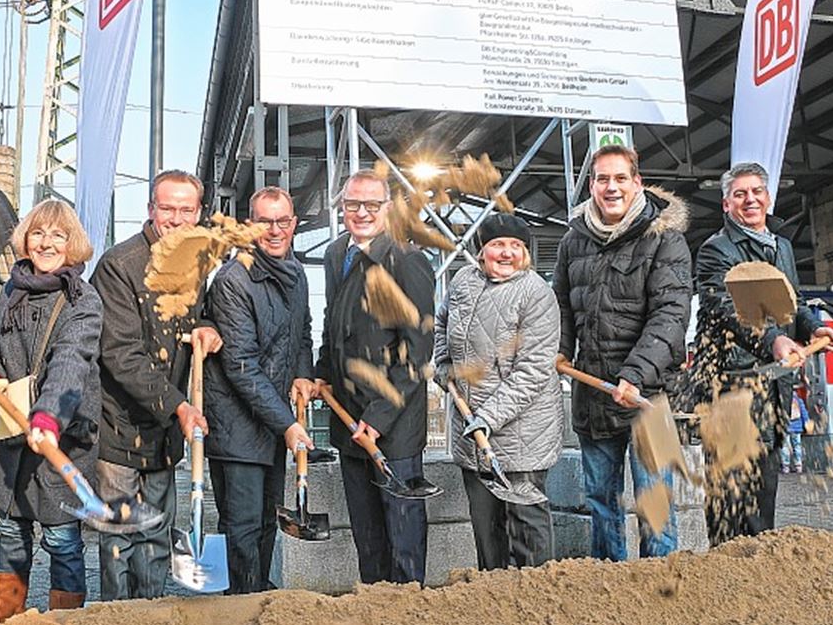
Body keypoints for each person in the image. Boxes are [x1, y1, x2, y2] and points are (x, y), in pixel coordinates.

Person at [691, 162, 833, 544]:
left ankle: (759, 567)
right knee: (730, 498)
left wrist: (812, 327)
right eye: (740, 194)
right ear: (726, 204)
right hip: (730, 387)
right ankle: (726, 569)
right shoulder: (716, 250)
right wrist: (774, 339)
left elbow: (793, 302)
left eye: (756, 191)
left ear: (768, 198)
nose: (750, 200)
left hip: (774, 387)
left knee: (763, 495)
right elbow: (726, 308)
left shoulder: (782, 247)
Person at [553, 144, 692, 562]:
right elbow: (561, 306)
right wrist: (560, 351)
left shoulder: (666, 239)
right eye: (602, 179)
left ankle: (661, 583)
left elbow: (671, 315)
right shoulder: (573, 241)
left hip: (650, 395)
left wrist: (634, 374)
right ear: (591, 186)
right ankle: (609, 580)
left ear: (637, 183)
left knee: (656, 500)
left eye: (619, 178)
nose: (611, 187)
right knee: (600, 500)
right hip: (593, 393)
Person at [0, 200, 102, 622]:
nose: (46, 243)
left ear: (72, 243)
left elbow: (70, 363)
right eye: (38, 233)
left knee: (62, 540)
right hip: (12, 437)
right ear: (26, 240)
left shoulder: (82, 299)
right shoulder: (11, 291)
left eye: (58, 235)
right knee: (11, 534)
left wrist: (47, 417)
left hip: (62, 435)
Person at [90, 169, 222, 599]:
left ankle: (152, 616)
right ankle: (116, 621)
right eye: (168, 208)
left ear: (198, 214)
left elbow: (197, 315)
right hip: (120, 424)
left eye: (187, 210)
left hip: (164, 430)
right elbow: (120, 354)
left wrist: (207, 327)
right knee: (120, 535)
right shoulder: (119, 265)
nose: (177, 219)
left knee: (157, 534)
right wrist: (179, 406)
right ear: (151, 209)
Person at [314, 169, 435, 584]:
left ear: (388, 208)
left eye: (371, 204)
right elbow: (333, 325)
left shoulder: (407, 261)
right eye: (352, 204)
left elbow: (417, 354)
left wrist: (380, 417)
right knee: (366, 537)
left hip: (393, 426)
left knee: (402, 535)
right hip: (349, 418)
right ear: (341, 207)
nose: (361, 212)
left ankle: (406, 612)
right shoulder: (337, 255)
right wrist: (322, 373)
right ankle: (374, 610)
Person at [202, 186, 316, 593]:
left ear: (294, 224)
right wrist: (287, 425)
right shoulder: (233, 280)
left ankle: (258, 599)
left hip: (270, 423)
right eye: (264, 221)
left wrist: (302, 374)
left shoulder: (296, 273)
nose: (274, 230)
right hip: (236, 425)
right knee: (243, 527)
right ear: (249, 226)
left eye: (282, 221)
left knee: (267, 521)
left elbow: (302, 332)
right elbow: (241, 365)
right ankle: (238, 605)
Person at [434, 213, 563, 570]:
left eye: (515, 246)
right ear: (481, 250)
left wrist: (487, 419)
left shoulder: (536, 294)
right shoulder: (463, 281)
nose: (507, 253)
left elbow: (533, 371)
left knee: (526, 531)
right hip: (472, 434)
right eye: (498, 245)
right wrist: (443, 362)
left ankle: (538, 594)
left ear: (526, 252)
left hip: (522, 435)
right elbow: (442, 321)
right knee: (486, 529)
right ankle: (492, 594)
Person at [782, 389, 808, 474]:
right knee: (797, 446)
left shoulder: (783, 400)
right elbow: (804, 413)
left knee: (785, 446)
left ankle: (786, 466)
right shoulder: (799, 401)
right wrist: (806, 423)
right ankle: (798, 466)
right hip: (797, 428)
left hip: (786, 427)